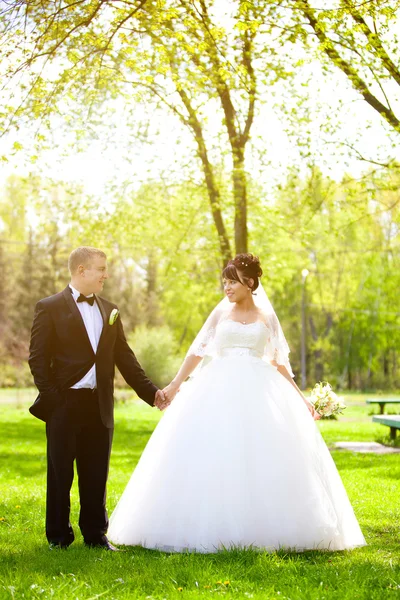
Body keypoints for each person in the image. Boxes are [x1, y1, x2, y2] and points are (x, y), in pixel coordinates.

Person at [108, 253, 366, 553]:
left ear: (250, 282)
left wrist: (302, 398)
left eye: (232, 282)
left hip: (260, 389)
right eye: (225, 282)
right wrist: (175, 385)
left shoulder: (267, 317)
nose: (227, 288)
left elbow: (279, 362)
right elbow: (197, 352)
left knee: (263, 452)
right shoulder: (220, 314)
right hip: (216, 386)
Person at [28, 246, 168, 550]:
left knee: (96, 474)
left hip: (100, 405)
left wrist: (152, 393)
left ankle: (95, 535)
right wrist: (53, 399)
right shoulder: (48, 307)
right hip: (64, 404)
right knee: (61, 473)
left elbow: (125, 359)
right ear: (82, 270)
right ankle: (59, 537)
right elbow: (37, 359)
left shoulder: (110, 310)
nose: (106, 274)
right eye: (101, 268)